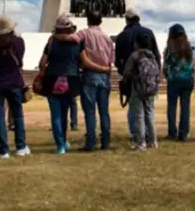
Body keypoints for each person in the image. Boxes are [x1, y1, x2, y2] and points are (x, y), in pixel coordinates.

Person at [39, 15, 110, 154]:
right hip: (70, 79)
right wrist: (103, 68)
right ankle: (64, 140)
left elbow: (42, 62)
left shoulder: (52, 41)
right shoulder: (77, 43)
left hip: (52, 78)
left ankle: (60, 144)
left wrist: (42, 73)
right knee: (65, 112)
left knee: (55, 113)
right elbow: (85, 62)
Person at [0, 15, 30, 159]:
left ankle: (3, 149)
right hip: (14, 82)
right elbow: (20, 61)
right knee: (17, 115)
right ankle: (21, 146)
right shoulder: (18, 42)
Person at [114, 8, 161, 140]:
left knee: (134, 106)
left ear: (127, 19)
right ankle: (150, 134)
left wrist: (124, 73)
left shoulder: (122, 35)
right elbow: (157, 55)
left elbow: (117, 60)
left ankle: (136, 133)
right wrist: (156, 74)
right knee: (149, 107)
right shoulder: (149, 32)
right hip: (149, 77)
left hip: (131, 77)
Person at [75, 10, 116, 151]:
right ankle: (106, 142)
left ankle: (91, 142)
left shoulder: (84, 33)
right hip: (104, 75)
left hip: (90, 74)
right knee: (104, 111)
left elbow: (72, 39)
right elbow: (111, 60)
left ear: (88, 20)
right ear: (101, 21)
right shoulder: (107, 38)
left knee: (90, 111)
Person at [123, 32, 160, 151]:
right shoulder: (151, 56)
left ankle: (140, 143)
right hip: (151, 89)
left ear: (136, 44)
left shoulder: (135, 55)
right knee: (150, 114)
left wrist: (133, 77)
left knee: (139, 115)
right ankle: (153, 141)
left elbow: (127, 72)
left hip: (138, 89)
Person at [163, 24, 194, 141]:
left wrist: (167, 76)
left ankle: (172, 132)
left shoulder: (170, 49)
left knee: (172, 106)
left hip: (174, 80)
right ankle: (183, 133)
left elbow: (165, 66)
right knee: (185, 106)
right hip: (188, 79)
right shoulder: (188, 47)